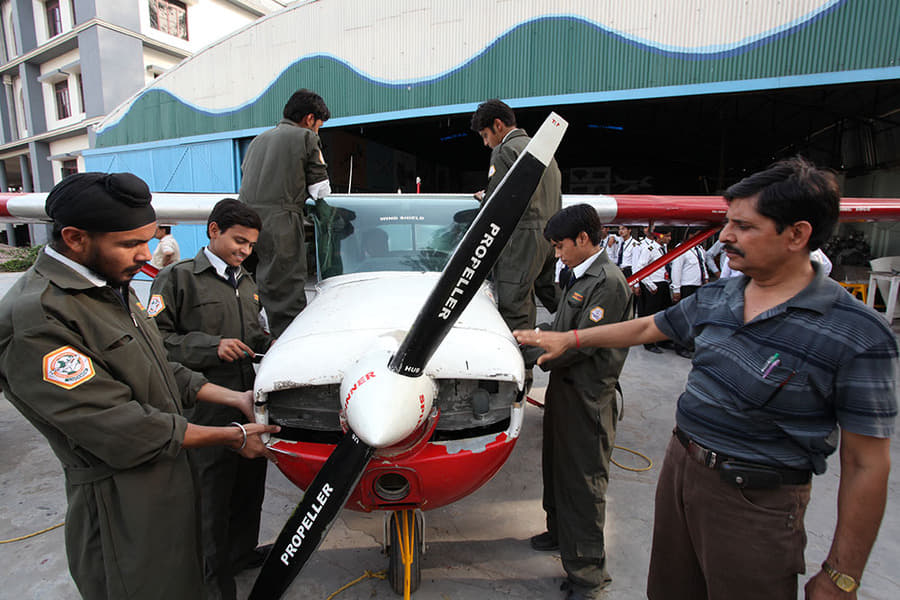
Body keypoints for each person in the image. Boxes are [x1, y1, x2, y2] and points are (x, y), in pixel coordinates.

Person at [514, 157, 898, 600]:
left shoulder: (858, 335)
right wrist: (570, 338)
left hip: (754, 502)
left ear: (797, 235)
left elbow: (867, 464)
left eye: (743, 226)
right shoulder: (720, 295)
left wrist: (841, 575)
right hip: (682, 472)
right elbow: (646, 326)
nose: (725, 236)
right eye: (727, 221)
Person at [0, 172, 279, 600]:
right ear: (75, 238)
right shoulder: (38, 317)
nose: (145, 255)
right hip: (121, 500)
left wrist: (235, 398)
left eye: (147, 241)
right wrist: (231, 436)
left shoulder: (111, 286)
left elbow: (162, 368)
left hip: (168, 470)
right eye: (130, 244)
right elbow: (122, 427)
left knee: (190, 572)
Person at [149, 199, 272, 600]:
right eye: (239, 241)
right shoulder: (177, 278)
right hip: (205, 406)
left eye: (251, 245)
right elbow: (155, 342)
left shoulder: (248, 283)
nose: (245, 251)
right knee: (211, 497)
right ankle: (213, 581)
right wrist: (210, 347)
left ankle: (241, 553)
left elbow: (255, 336)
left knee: (248, 487)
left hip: (248, 401)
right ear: (214, 230)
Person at [522, 204, 632, 600]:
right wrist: (527, 334)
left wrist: (527, 352)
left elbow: (578, 344)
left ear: (583, 239)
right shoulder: (579, 275)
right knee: (557, 470)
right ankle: (559, 533)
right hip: (564, 393)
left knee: (583, 485)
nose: (557, 254)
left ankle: (587, 576)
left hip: (588, 399)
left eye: (559, 246)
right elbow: (560, 327)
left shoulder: (608, 283)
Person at [239, 88, 332, 337]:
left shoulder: (258, 140)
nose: (317, 131)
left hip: (244, 224)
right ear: (310, 119)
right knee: (285, 299)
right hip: (281, 225)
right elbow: (321, 190)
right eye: (318, 126)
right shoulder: (306, 137)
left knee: (249, 292)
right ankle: (287, 349)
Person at [471, 99, 561, 329]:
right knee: (554, 297)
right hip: (549, 240)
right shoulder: (545, 152)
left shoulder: (505, 151)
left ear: (498, 125)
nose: (485, 143)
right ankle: (582, 329)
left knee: (515, 309)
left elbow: (496, 205)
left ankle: (523, 354)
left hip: (521, 243)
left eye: (485, 135)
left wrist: (485, 200)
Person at [632, 227, 672, 353]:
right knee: (651, 315)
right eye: (667, 236)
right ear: (659, 236)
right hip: (654, 285)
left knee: (664, 313)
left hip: (664, 283)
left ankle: (662, 340)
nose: (669, 238)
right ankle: (648, 342)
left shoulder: (663, 249)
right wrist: (650, 285)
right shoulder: (649, 249)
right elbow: (640, 268)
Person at [669, 238, 708, 358]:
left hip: (698, 285)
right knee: (683, 318)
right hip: (686, 287)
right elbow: (676, 269)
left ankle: (690, 343)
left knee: (694, 318)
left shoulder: (699, 249)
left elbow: (703, 265)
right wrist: (676, 289)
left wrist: (706, 278)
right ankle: (680, 346)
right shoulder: (682, 248)